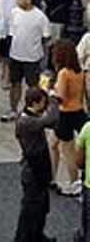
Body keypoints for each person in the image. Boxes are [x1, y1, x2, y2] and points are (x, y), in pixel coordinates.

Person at [15, 88, 59, 242]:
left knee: (41, 207)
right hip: (33, 171)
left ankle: (37, 236)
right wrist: (54, 99)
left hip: (39, 167)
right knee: (30, 209)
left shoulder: (28, 115)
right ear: (35, 103)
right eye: (43, 101)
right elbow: (50, 119)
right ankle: (24, 238)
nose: (45, 104)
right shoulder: (26, 121)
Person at [6, 0, 51, 122]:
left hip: (32, 57)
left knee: (33, 86)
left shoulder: (40, 17)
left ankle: (32, 109)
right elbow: (12, 33)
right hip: (15, 55)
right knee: (15, 83)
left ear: (29, 0)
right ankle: (13, 109)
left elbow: (47, 37)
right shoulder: (14, 13)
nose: (17, 1)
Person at [52, 39, 86, 196]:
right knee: (53, 143)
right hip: (78, 111)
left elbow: (61, 96)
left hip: (65, 113)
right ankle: (52, 176)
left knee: (67, 151)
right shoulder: (79, 72)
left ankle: (74, 182)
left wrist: (50, 91)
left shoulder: (63, 73)